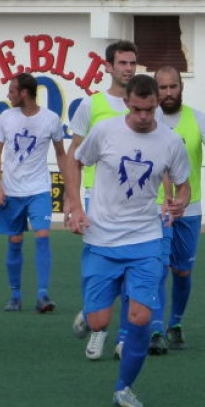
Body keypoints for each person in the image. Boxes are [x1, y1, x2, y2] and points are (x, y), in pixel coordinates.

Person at [61, 74, 190, 407]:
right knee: (100, 321)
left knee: (140, 318)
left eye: (149, 110)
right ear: (127, 103)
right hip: (102, 238)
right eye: (137, 109)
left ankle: (124, 387)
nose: (144, 117)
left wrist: (180, 201)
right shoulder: (105, 132)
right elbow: (74, 159)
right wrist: (74, 204)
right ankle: (89, 317)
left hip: (146, 238)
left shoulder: (171, 142)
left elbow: (183, 184)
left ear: (156, 104)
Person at [144, 65, 205, 354]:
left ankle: (175, 325)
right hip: (154, 209)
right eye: (163, 88)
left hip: (189, 208)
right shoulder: (147, 120)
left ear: (181, 87)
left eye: (173, 87)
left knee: (182, 272)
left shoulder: (199, 119)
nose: (168, 93)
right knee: (158, 269)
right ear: (155, 90)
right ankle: (156, 330)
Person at [67, 40, 137, 360]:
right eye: (122, 63)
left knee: (129, 270)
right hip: (97, 198)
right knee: (97, 268)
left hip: (135, 201)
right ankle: (97, 326)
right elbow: (74, 155)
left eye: (131, 63)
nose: (127, 68)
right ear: (108, 66)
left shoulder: (144, 105)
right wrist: (73, 202)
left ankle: (122, 337)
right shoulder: (90, 105)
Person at [0, 72, 67, 313]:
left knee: (42, 234)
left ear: (24, 93)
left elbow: (61, 154)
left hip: (39, 189)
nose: (9, 95)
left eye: (12, 91)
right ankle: (15, 296)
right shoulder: (6, 119)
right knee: (15, 240)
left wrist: (69, 189)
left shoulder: (51, 119)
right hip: (12, 190)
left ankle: (43, 295)